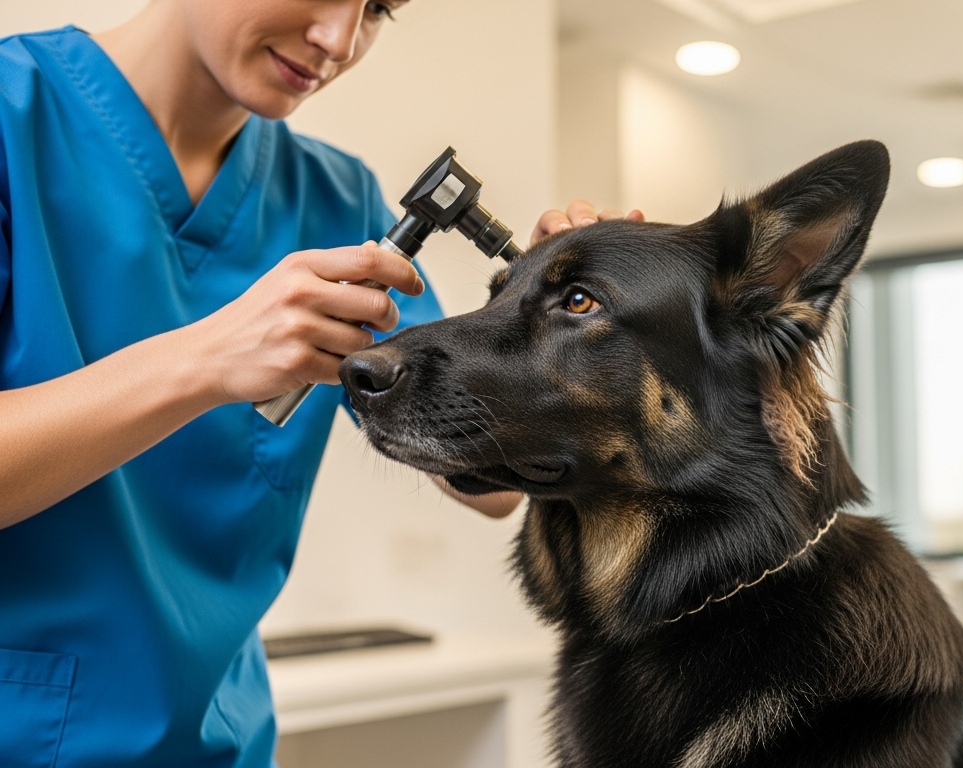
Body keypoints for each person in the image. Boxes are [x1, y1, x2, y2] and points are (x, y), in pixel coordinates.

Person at [0, 1, 640, 765]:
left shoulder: (337, 201)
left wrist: (554, 330)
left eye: (377, 10)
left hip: (220, 740)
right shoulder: (16, 119)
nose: (339, 42)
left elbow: (492, 490)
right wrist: (210, 359)